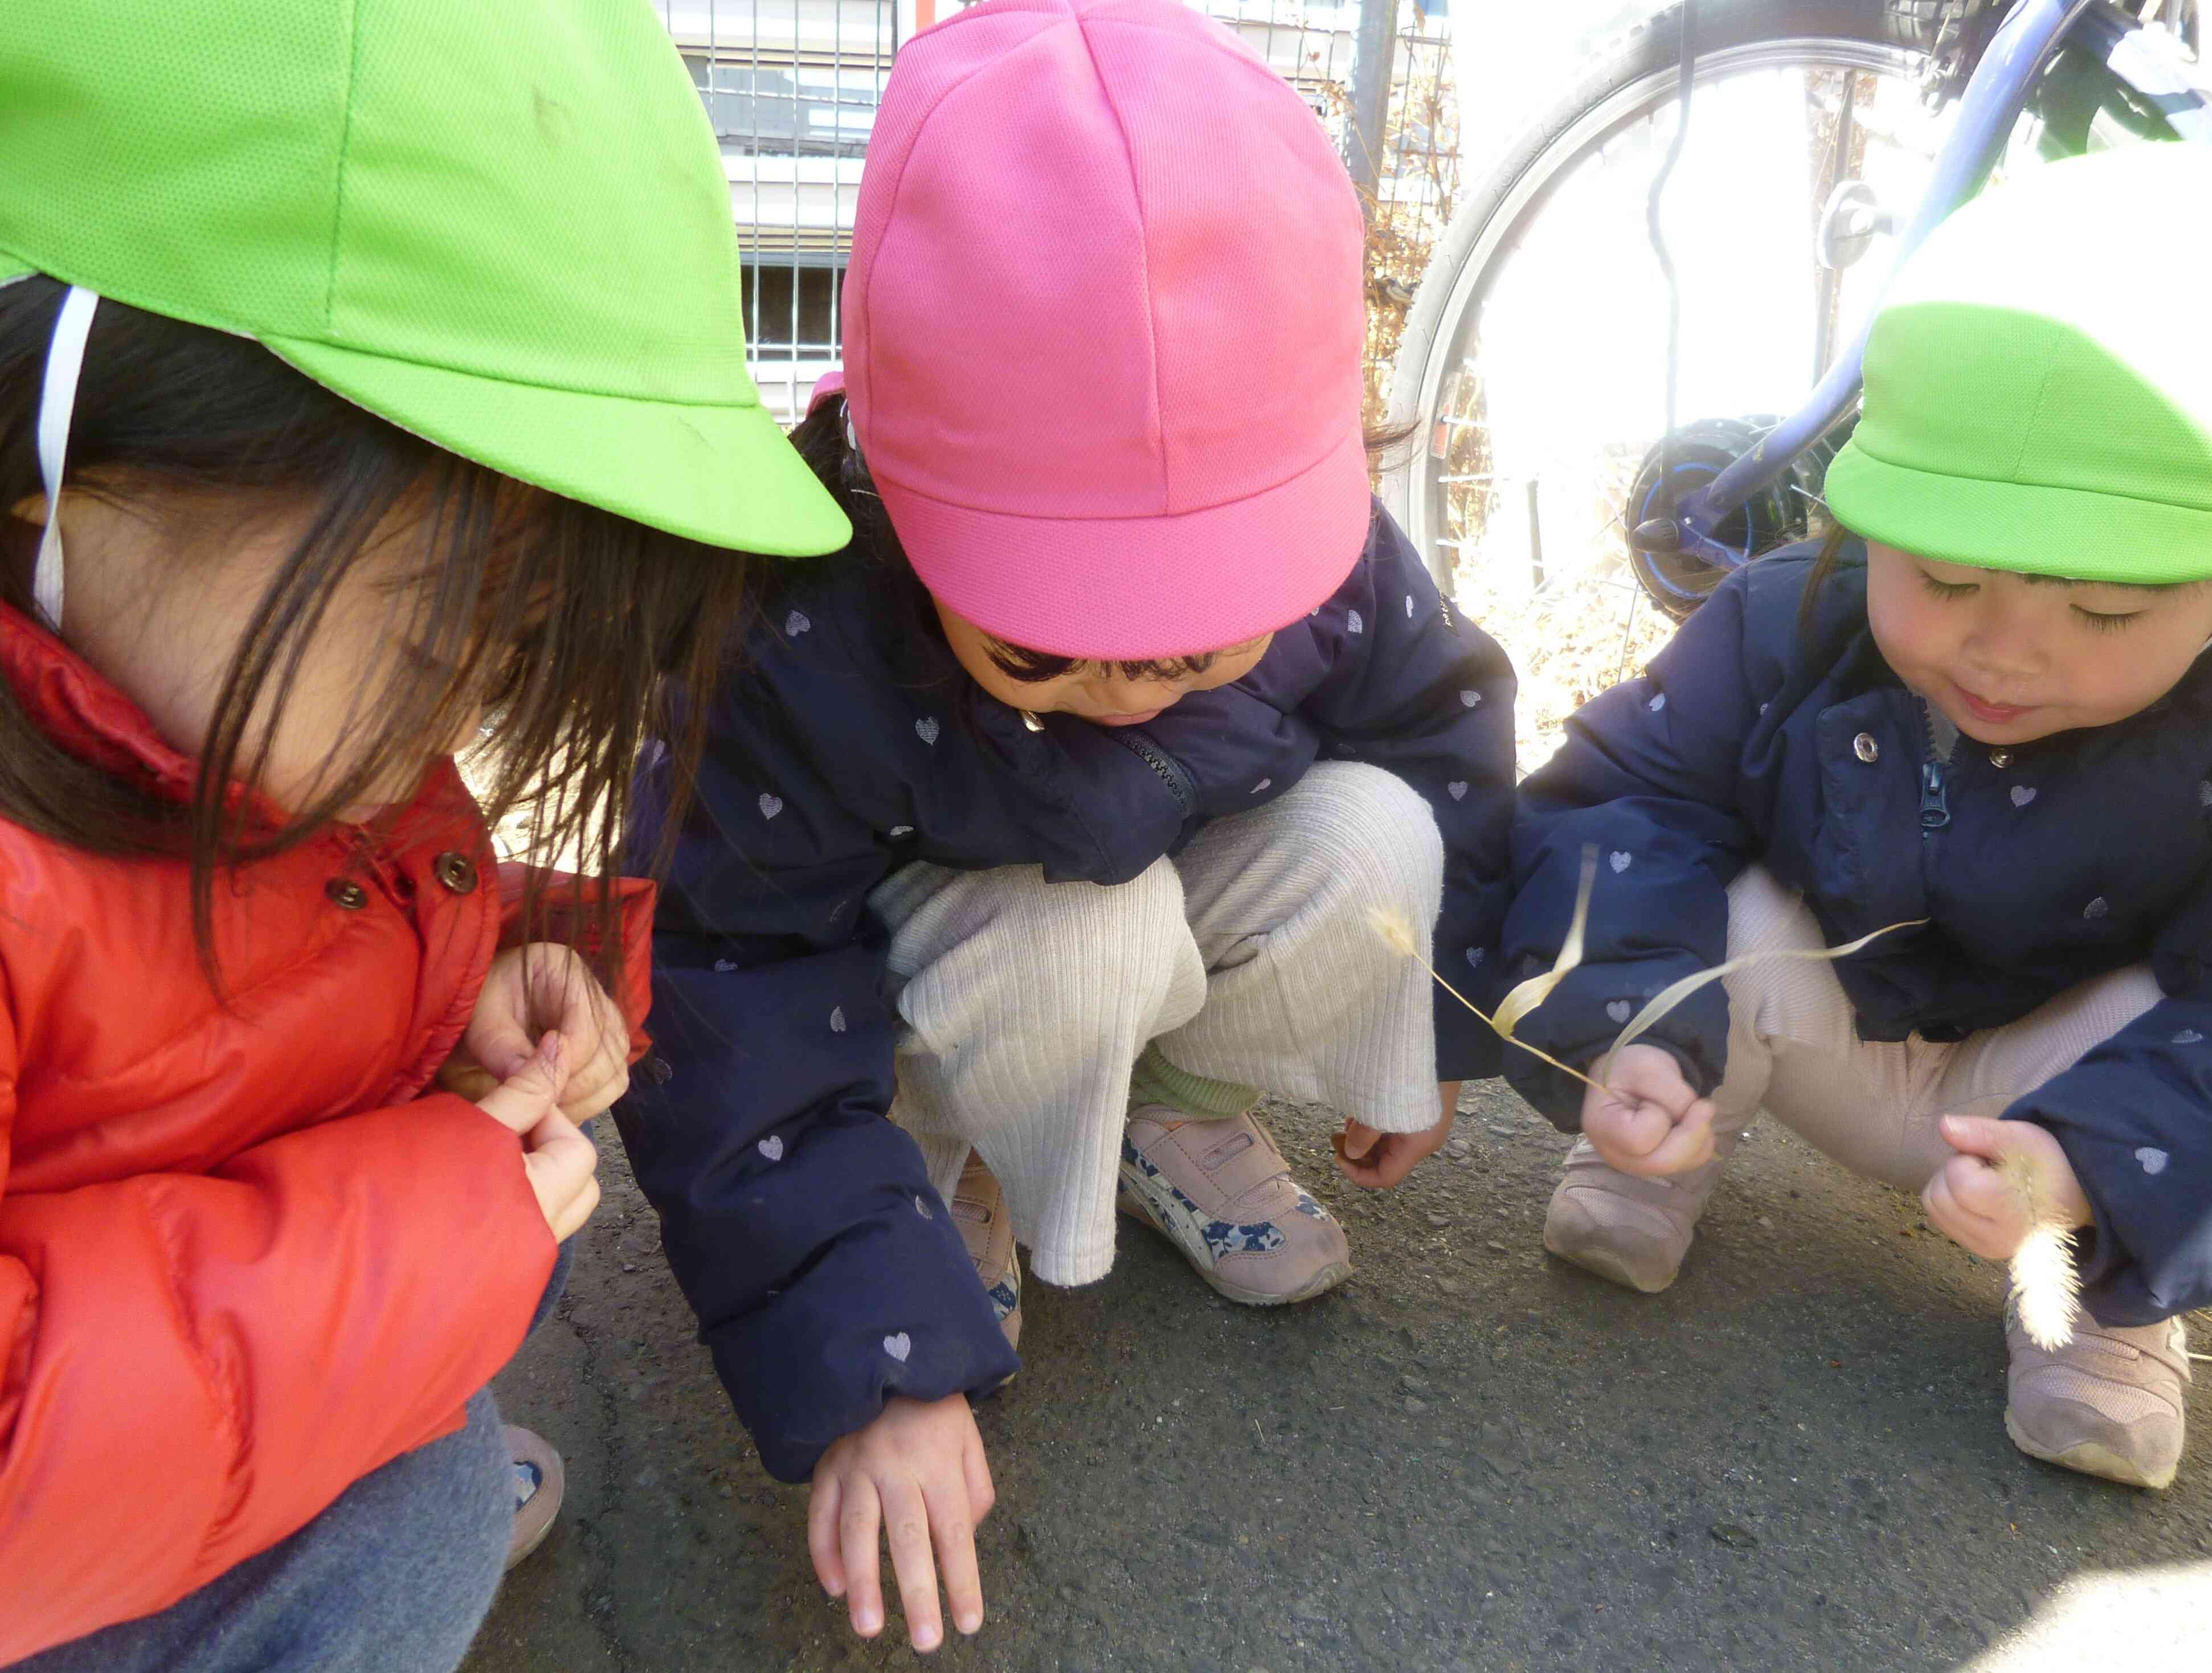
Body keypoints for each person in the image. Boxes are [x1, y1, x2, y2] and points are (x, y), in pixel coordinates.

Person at [616, 0, 1518, 1652]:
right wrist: (869, 1342)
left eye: (1195, 638)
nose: (1120, 685)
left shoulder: (1322, 554)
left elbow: (1437, 723)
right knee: (1064, 934)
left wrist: (1444, 1007)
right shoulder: (795, 625)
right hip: (938, 997)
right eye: (1034, 638)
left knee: (1383, 843)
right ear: (889, 483)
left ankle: (1169, 1113)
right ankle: (943, 1177)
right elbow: (721, 969)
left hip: (1159, 920)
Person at [0, 2, 847, 1668]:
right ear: (66, 464)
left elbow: (289, 948)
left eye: (509, 644)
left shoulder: (215, 705)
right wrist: (438, 1230)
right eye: (432, 628)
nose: (453, 713)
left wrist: (509, 966)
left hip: (171, 1395)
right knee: (432, 1499)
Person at [1499, 144, 2212, 1491]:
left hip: (2057, 1099)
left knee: (2162, 1017)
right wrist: (1627, 1020)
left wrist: (2093, 1162)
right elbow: (1619, 801)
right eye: (1943, 578)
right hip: (1817, 1029)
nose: (2004, 652)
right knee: (1721, 909)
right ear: (1858, 522)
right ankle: (1663, 1126)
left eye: (2107, 611)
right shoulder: (1784, 622)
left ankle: (2102, 1293)